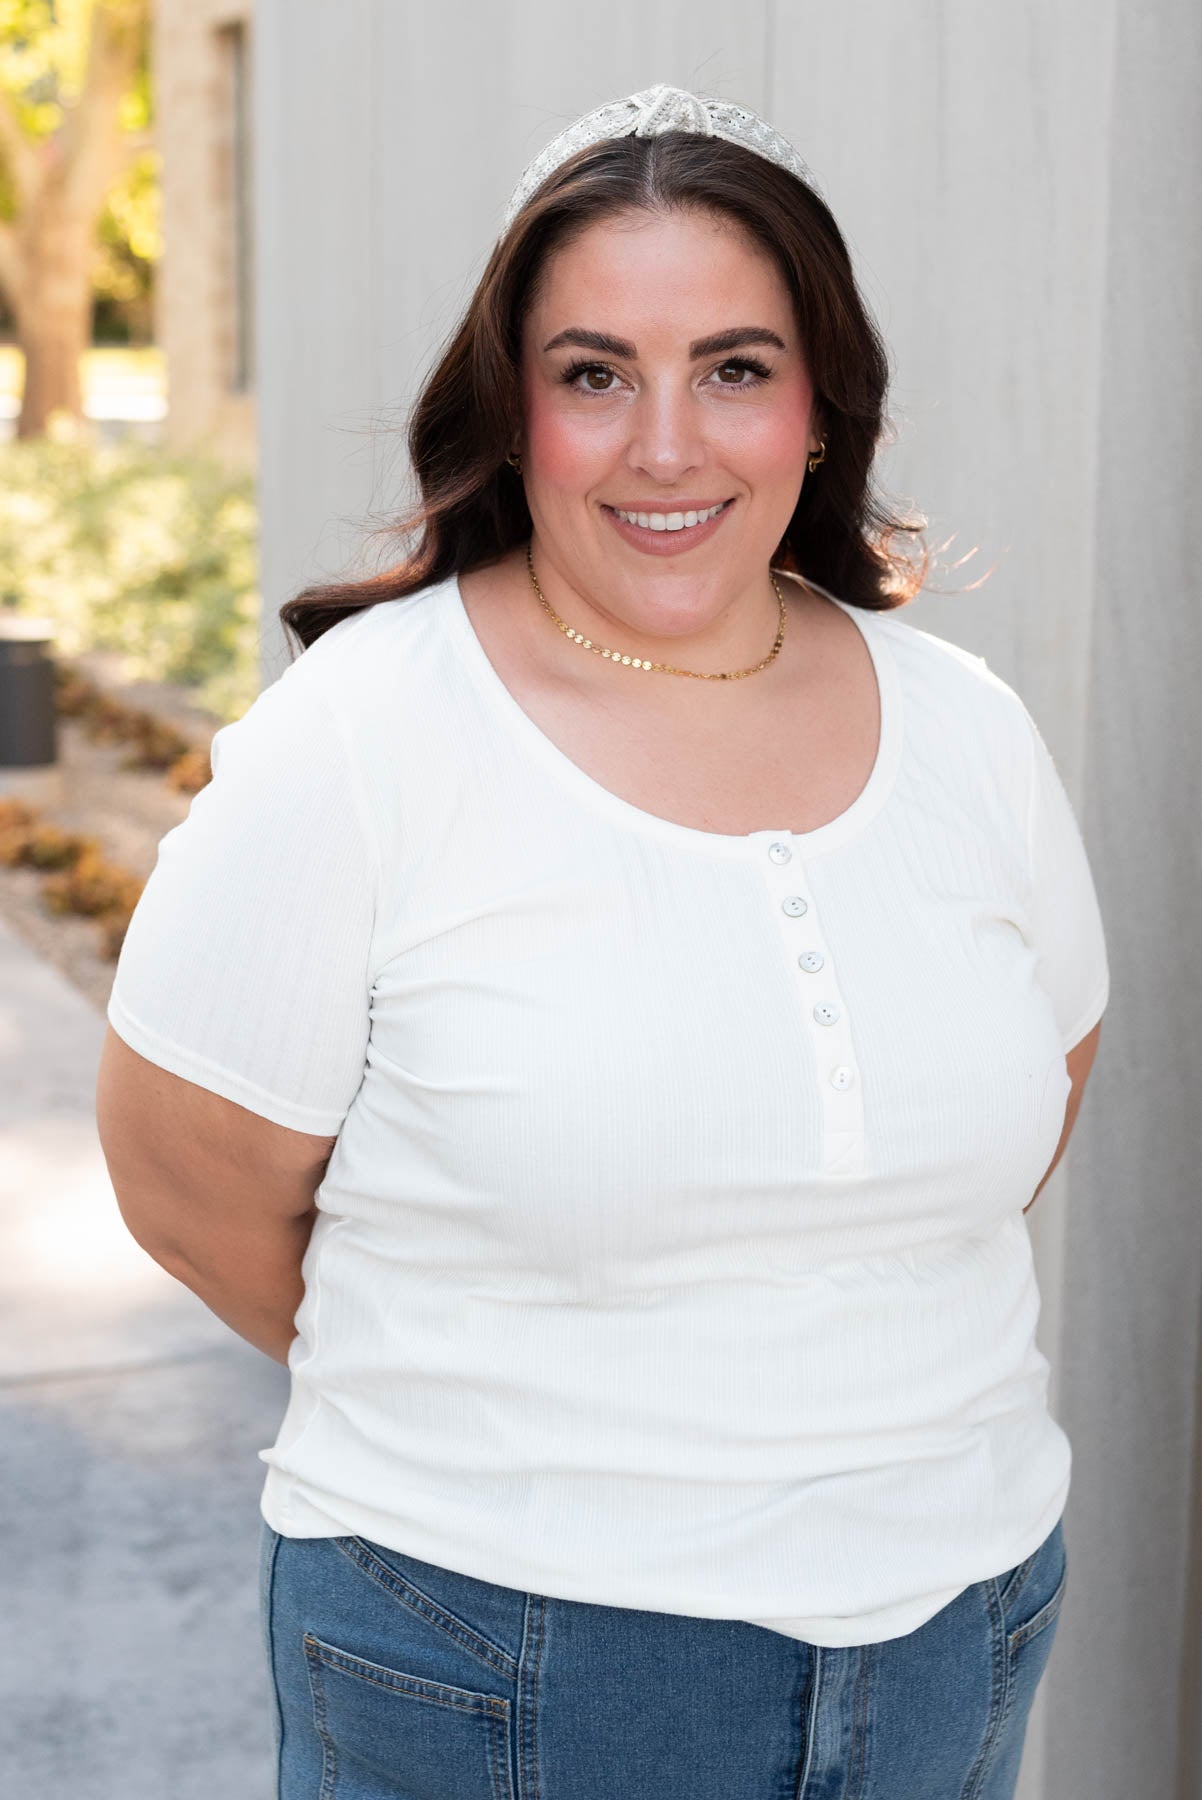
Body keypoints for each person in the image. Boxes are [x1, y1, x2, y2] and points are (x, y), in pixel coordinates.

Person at [95, 82, 1108, 1800]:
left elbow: (1039, 1087)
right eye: (593, 375)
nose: (665, 444)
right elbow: (190, 1186)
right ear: (515, 409)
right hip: (503, 1658)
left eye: (731, 366)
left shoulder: (965, 729)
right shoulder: (371, 735)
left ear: (816, 401)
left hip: (956, 1629)